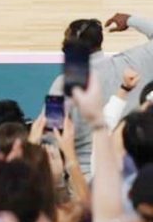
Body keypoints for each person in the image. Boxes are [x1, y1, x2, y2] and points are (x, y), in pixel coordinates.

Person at [48, 13, 153, 177]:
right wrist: (131, 20)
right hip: (132, 172)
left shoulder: (61, 84)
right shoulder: (132, 63)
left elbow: (50, 132)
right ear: (99, 41)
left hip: (84, 175)